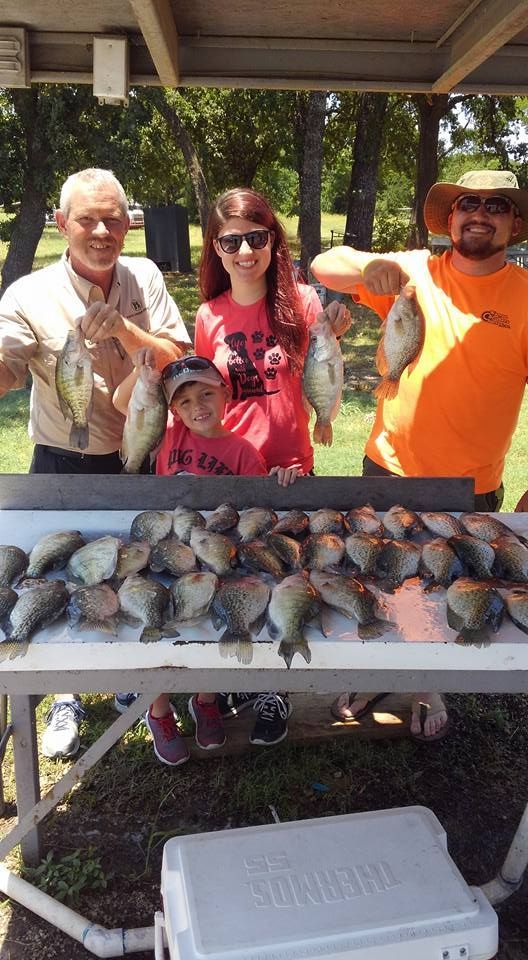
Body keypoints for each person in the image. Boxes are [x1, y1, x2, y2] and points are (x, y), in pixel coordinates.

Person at [311, 168, 528, 740]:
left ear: (514, 223)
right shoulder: (415, 272)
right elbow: (321, 264)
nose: (480, 213)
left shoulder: (526, 297)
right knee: (377, 572)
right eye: (468, 203)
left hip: (469, 484)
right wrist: (365, 268)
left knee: (446, 583)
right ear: (450, 218)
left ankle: (427, 680)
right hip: (387, 463)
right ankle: (374, 660)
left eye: (497, 206)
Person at [0, 167, 191, 759]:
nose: (103, 230)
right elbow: (6, 369)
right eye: (88, 219)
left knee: (143, 573)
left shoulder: (146, 277)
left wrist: (128, 329)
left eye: (114, 218)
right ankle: (65, 693)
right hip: (62, 465)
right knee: (56, 579)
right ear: (62, 224)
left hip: (140, 460)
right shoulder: (27, 294)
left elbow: (178, 357)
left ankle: (142, 680)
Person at [113, 350, 302, 766]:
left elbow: (255, 512)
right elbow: (126, 403)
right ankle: (158, 710)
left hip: (216, 559)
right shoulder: (164, 435)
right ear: (171, 409)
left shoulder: (244, 453)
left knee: (218, 629)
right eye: (183, 401)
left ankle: (206, 698)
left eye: (205, 394)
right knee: (153, 623)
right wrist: (140, 376)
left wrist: (281, 480)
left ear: (225, 393)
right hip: (165, 552)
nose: (196, 407)